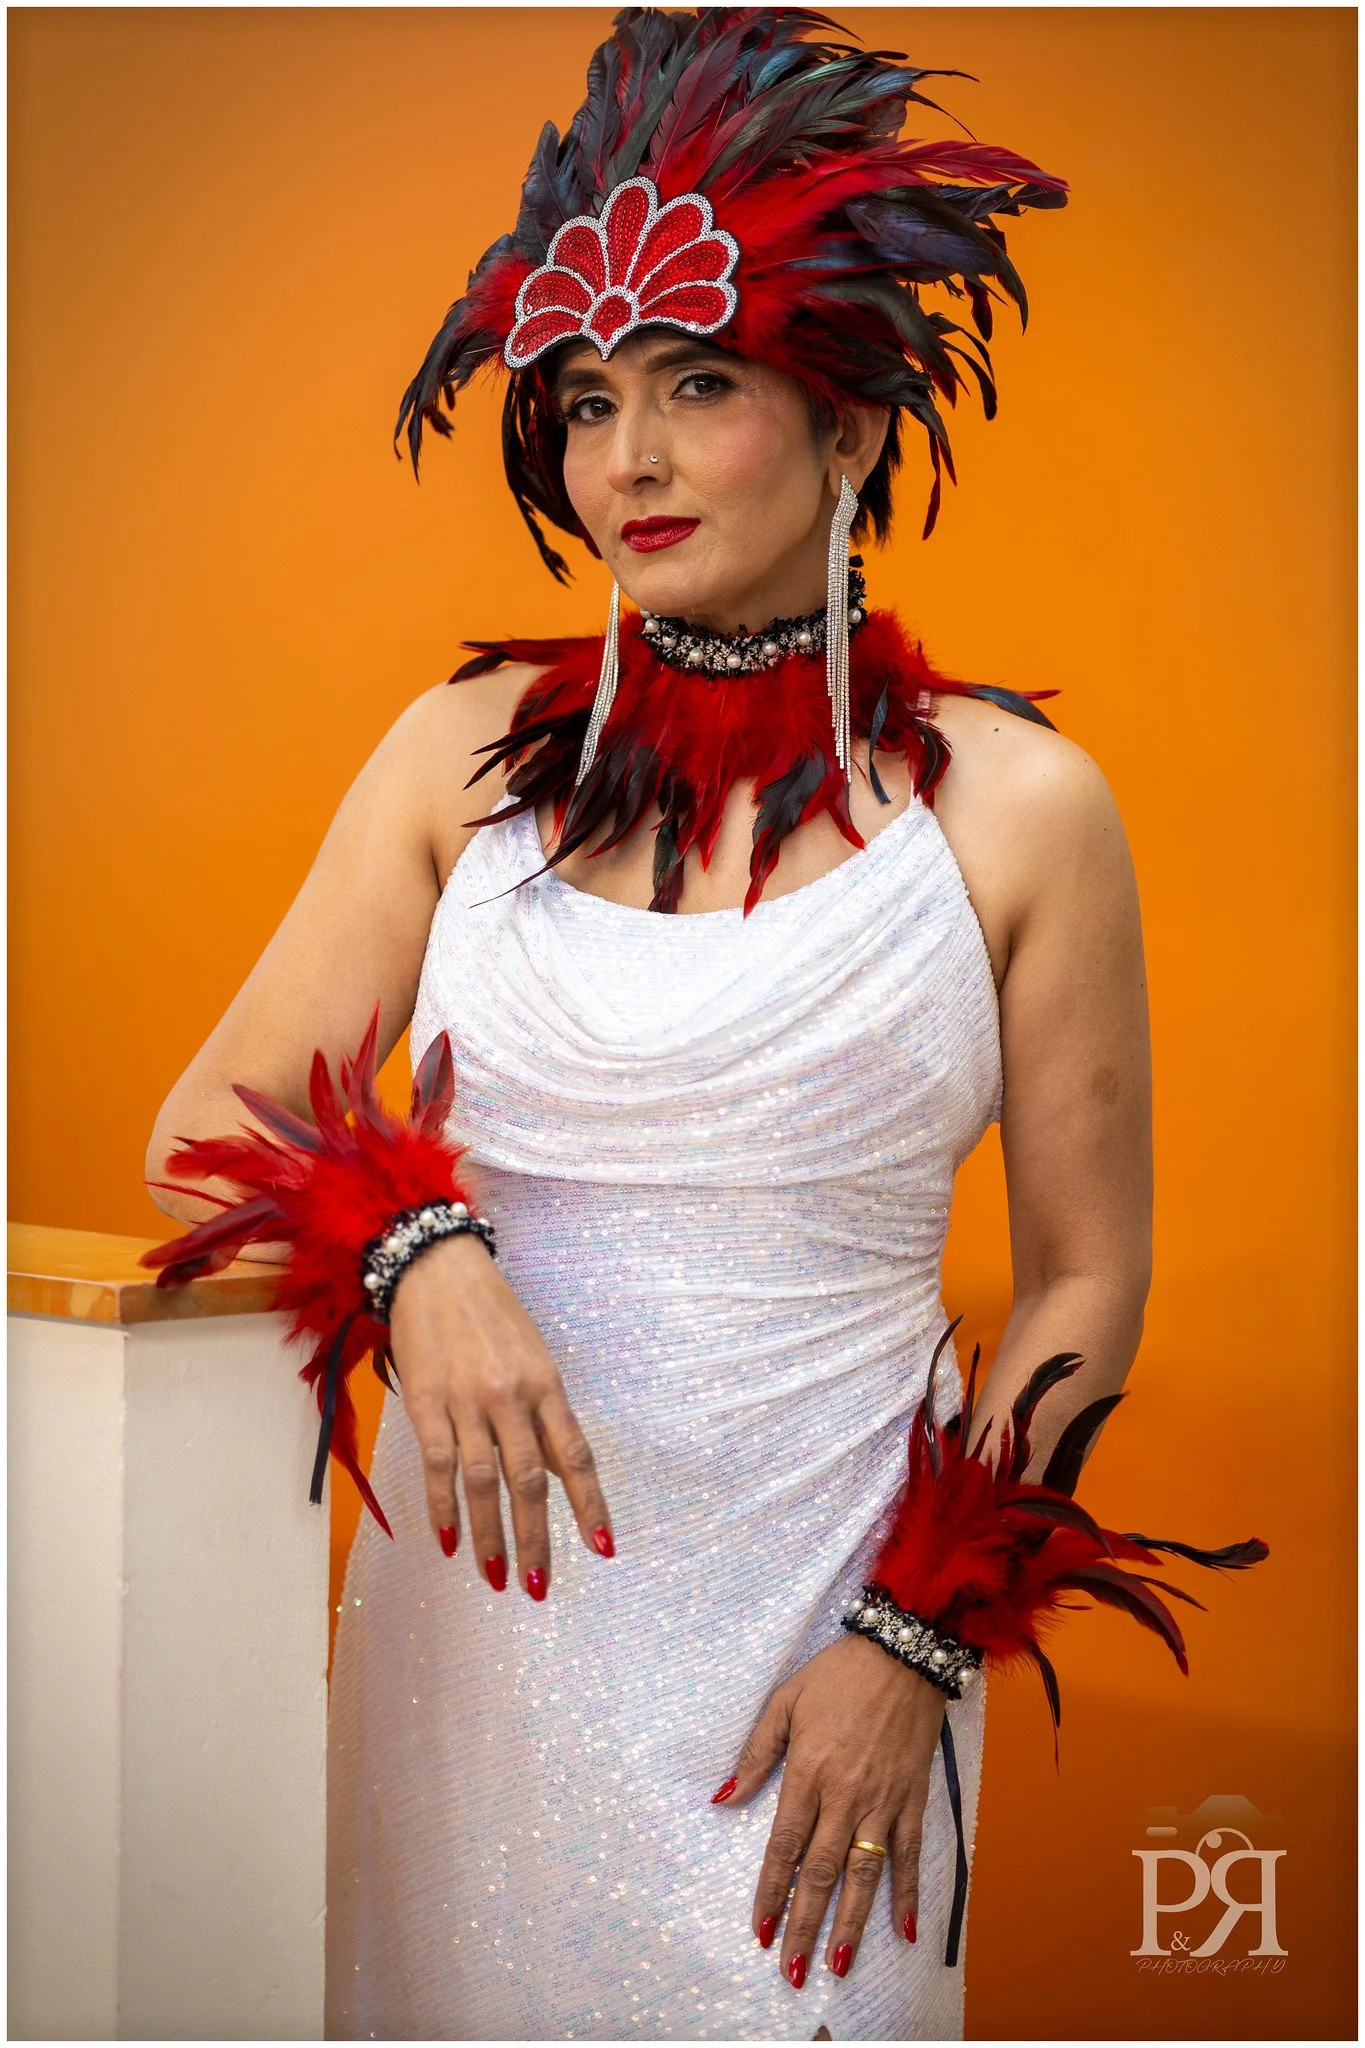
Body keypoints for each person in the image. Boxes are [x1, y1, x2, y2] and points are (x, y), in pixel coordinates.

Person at [144, 11, 1266, 2040]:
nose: (626, 460)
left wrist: (916, 1638)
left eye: (697, 385)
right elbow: (209, 1116)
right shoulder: (449, 760)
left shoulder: (1016, 809)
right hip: (481, 1657)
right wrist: (424, 1248)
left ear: (845, 428)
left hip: (826, 1657)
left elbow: (1091, 1277)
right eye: (584, 402)